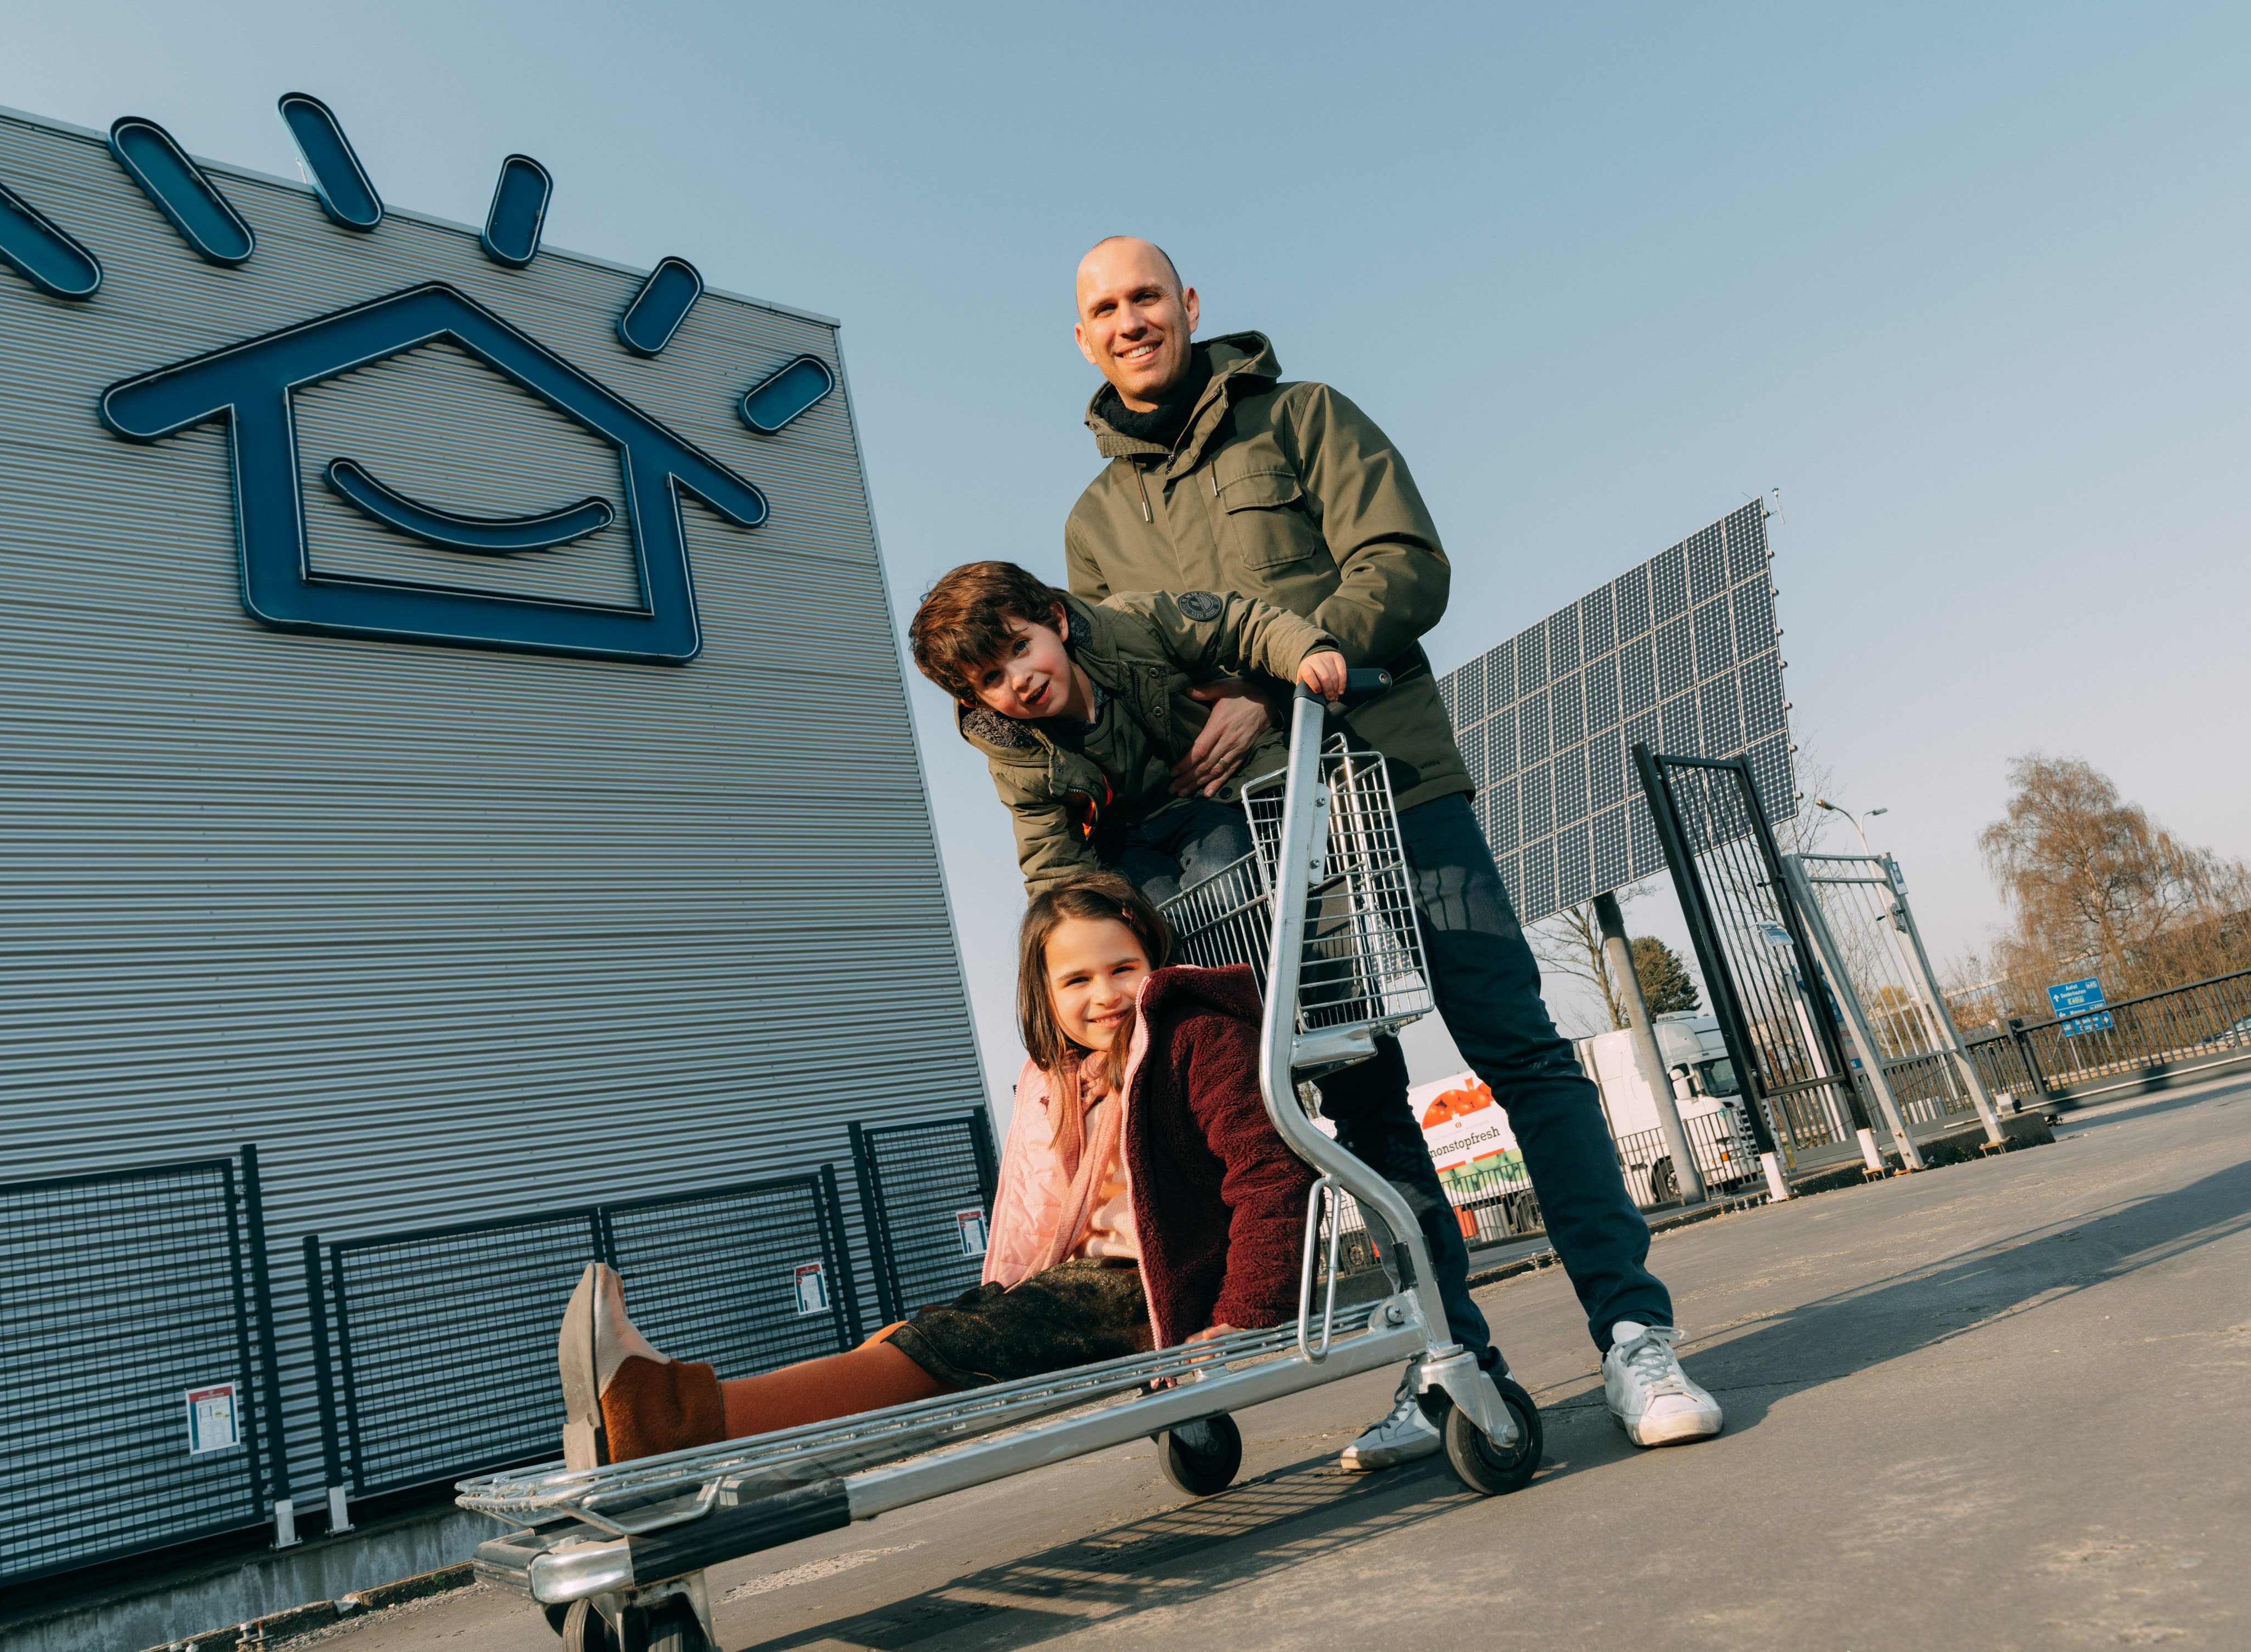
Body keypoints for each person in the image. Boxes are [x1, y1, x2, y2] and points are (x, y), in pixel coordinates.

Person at [1062, 236, 1723, 1465]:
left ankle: (1636, 1335)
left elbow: (1405, 570)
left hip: (1389, 780)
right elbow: (1130, 683)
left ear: (1190, 305)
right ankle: (1450, 1359)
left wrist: (1280, 680)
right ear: (1085, 337)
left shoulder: (1305, 418)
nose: (1130, 320)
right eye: (1104, 309)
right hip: (1253, 844)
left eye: (1146, 296)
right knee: (1360, 1097)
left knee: (1517, 1048)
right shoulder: (1094, 524)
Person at [557, 874, 1315, 1468]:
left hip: (1151, 1290)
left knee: (943, 1348)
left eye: (1124, 968)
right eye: (1076, 981)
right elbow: (1033, 1212)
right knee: (925, 1332)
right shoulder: (1065, 1079)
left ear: (1156, 965)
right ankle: (676, 1410)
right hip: (1087, 1283)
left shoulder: (1196, 1040)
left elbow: (1267, 1177)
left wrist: (1241, 1321)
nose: (1105, 994)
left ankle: (673, 1416)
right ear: (1045, 998)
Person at [905, 559, 1346, 901]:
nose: (1018, 678)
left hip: (1210, 802)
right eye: (991, 679)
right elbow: (1049, 854)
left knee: (1223, 881)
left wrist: (1305, 652)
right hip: (1125, 841)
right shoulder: (1018, 753)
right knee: (1151, 919)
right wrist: (1067, 927)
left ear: (1057, 622)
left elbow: (1239, 623)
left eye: (1021, 647)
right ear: (974, 700)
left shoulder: (1131, 627)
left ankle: (1253, 990)